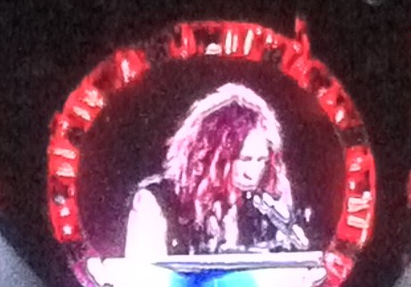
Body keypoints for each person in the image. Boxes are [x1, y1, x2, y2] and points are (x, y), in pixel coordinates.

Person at [124, 83, 308, 260]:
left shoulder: (266, 204)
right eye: (244, 159)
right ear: (212, 157)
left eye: (262, 160)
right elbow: (141, 276)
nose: (252, 173)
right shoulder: (155, 200)